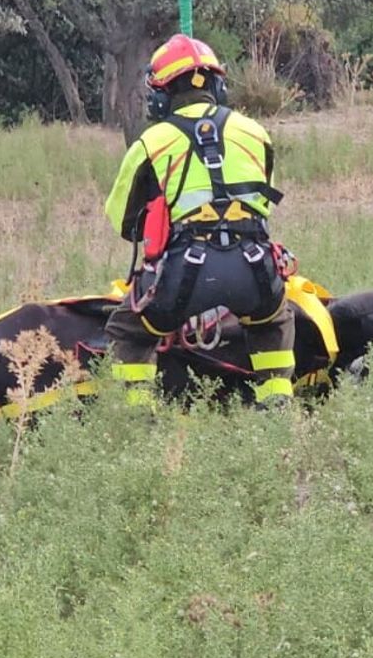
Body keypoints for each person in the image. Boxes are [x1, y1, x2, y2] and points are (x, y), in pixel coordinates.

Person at [102, 34, 295, 407]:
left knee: (127, 331)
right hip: (254, 268)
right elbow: (264, 205)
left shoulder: (150, 141)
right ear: (218, 87)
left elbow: (123, 223)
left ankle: (139, 415)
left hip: (184, 275)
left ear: (161, 95)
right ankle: (277, 407)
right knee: (273, 322)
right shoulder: (255, 132)